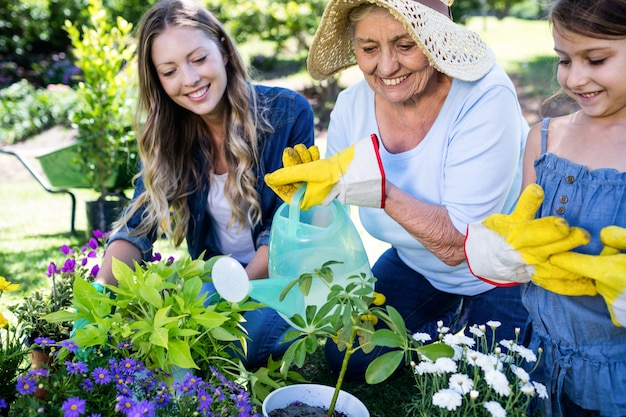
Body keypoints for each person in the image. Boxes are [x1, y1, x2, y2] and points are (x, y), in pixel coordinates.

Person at [265, 0, 530, 379]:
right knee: (349, 359)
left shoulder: (484, 96)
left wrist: (381, 191)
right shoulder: (352, 107)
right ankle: (437, 328)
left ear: (436, 41)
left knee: (490, 378)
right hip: (415, 262)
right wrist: (309, 203)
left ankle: (458, 328)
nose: (386, 66)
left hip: (502, 269)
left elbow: (459, 245)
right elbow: (331, 218)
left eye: (406, 46)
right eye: (369, 48)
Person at [92, 0, 315, 369]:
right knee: (152, 332)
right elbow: (136, 229)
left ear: (224, 50)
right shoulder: (166, 137)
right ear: (159, 81)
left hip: (285, 282)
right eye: (170, 71)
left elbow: (284, 233)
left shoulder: (287, 113)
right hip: (218, 282)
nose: (190, 80)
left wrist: (219, 306)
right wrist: (99, 296)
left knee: (235, 340)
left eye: (198, 59)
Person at [467, 0, 626, 415]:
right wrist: (500, 251)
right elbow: (521, 240)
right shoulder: (545, 138)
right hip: (541, 357)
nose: (574, 77)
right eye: (563, 59)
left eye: (596, 59)